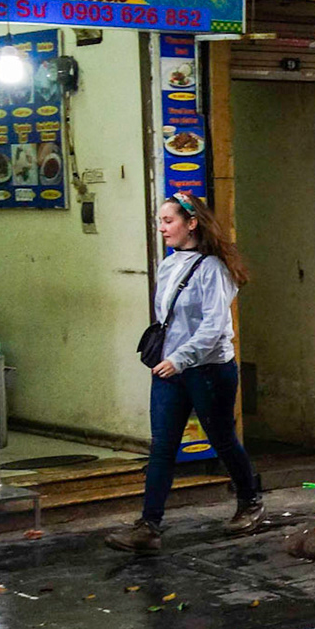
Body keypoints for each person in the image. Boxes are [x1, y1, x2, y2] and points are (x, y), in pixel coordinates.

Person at [106, 193, 264, 555]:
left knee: (222, 438)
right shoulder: (169, 264)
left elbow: (213, 327)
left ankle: (250, 500)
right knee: (162, 446)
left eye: (168, 221)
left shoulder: (214, 270)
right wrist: (169, 358)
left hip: (207, 369)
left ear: (191, 223)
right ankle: (148, 526)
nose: (162, 228)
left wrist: (181, 358)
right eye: (160, 221)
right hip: (170, 368)